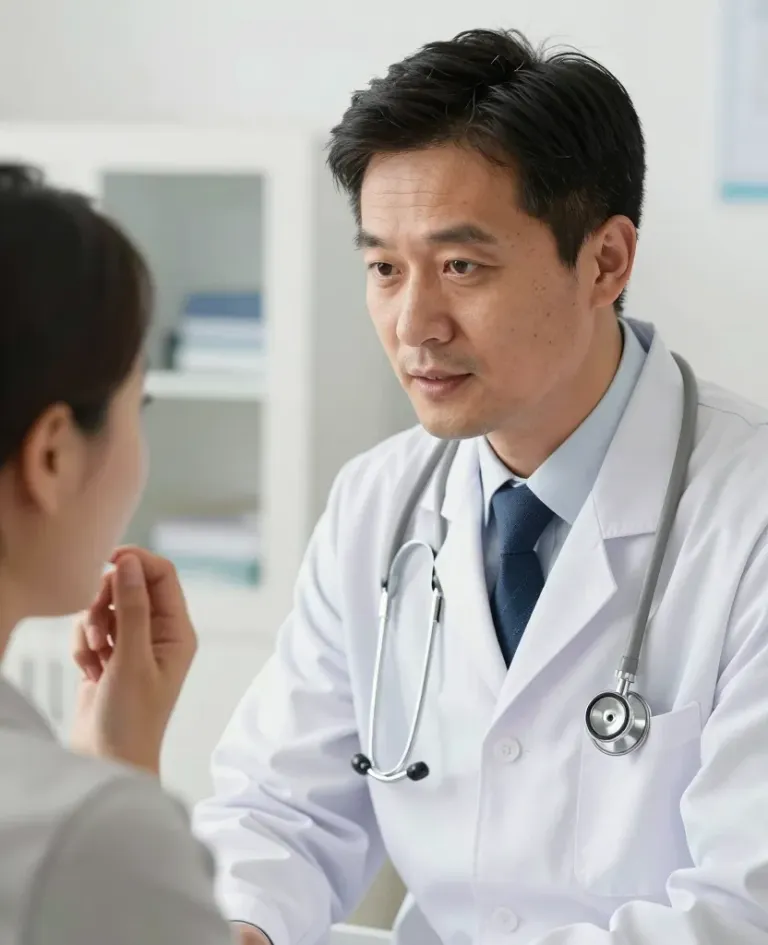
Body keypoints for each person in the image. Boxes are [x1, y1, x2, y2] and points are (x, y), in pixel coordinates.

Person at [194, 27, 768, 945]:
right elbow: (279, 810)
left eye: (462, 266)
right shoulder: (378, 503)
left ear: (606, 261)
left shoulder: (749, 516)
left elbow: (742, 910)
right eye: (385, 268)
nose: (414, 324)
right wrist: (245, 925)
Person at [0, 164, 234, 943]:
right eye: (141, 405)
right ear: (54, 455)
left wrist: (111, 764)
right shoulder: (92, 838)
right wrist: (112, 789)